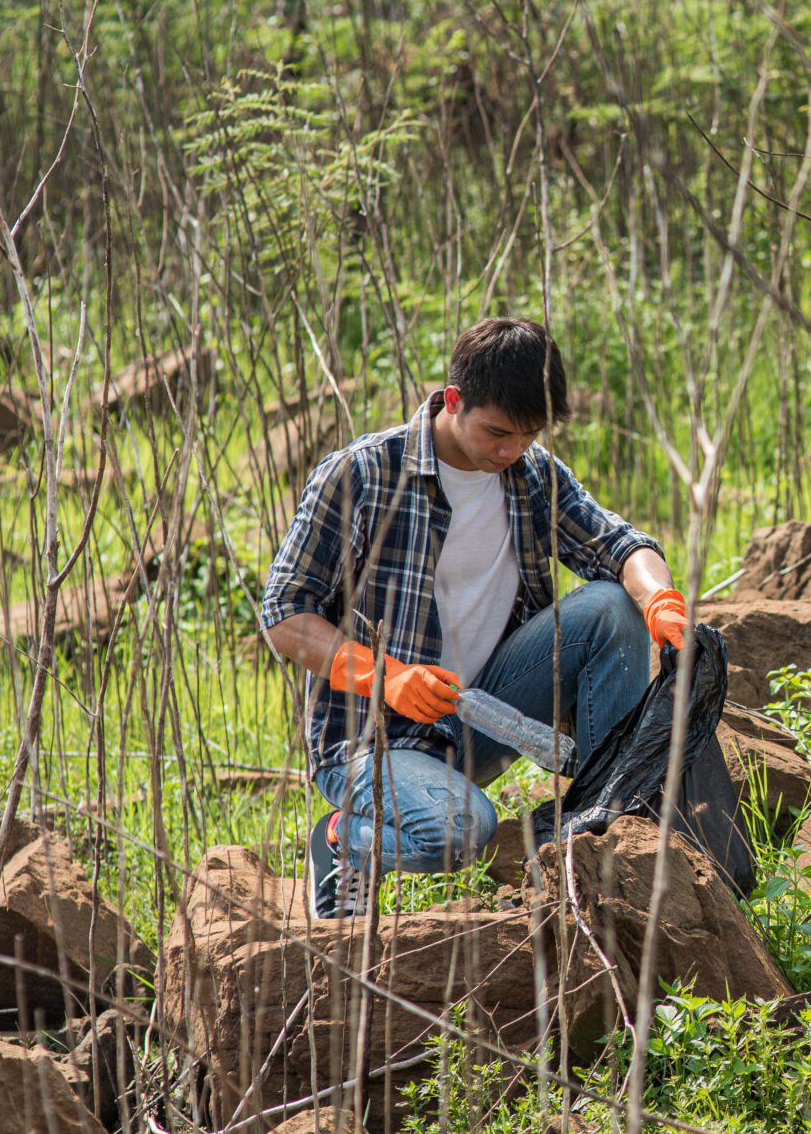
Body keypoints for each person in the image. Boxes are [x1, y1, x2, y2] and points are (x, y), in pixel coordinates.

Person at [258, 318, 688, 917]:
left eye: (528, 435)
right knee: (459, 832)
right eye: (497, 433)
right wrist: (388, 678)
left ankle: (603, 821)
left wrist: (659, 597)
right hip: (371, 742)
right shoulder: (361, 474)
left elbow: (619, 546)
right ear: (453, 400)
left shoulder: (532, 475)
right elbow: (283, 612)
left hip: (481, 715)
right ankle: (340, 838)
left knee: (613, 604)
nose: (510, 451)